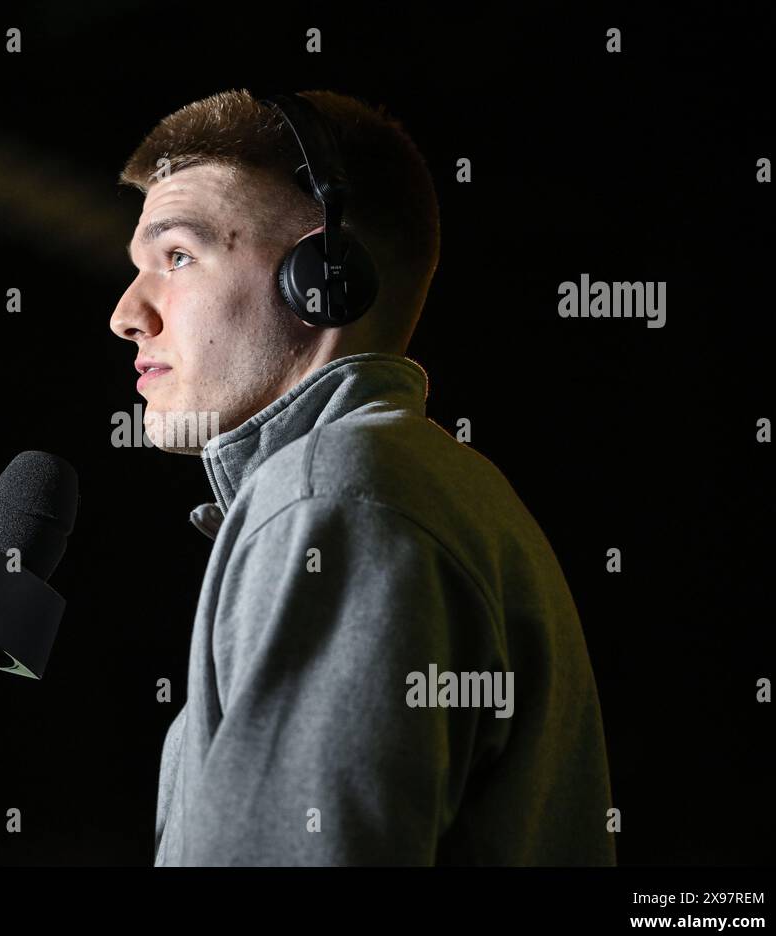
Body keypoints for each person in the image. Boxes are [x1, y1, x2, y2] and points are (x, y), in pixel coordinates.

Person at [110, 89, 616, 865]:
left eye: (177, 257)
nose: (128, 313)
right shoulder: (415, 484)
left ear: (323, 276)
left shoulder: (331, 496)